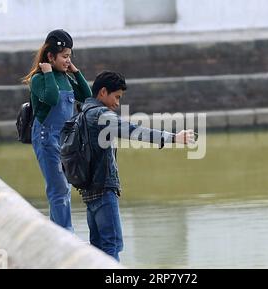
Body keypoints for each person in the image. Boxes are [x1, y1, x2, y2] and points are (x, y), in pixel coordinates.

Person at [81, 71, 195, 261]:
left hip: (88, 191)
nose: (117, 103)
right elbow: (133, 131)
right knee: (112, 245)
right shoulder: (100, 115)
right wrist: (173, 138)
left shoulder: (83, 112)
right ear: (102, 92)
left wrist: (76, 73)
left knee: (98, 247)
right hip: (103, 189)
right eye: (116, 97)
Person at [22, 29, 92, 232]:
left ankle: (58, 231)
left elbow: (86, 96)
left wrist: (76, 72)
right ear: (50, 56)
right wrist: (47, 73)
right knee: (58, 188)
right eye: (65, 56)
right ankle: (65, 233)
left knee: (65, 187)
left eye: (70, 56)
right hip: (46, 137)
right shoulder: (38, 79)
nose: (68, 61)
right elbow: (51, 98)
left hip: (66, 139)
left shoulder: (66, 77)